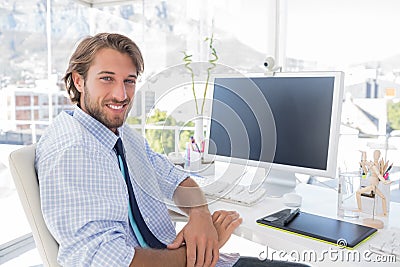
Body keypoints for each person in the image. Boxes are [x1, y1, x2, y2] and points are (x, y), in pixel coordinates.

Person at [35, 32, 307, 267]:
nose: (121, 95)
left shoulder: (119, 136)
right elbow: (105, 260)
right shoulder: (73, 150)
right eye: (107, 78)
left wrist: (200, 216)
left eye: (129, 81)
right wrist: (198, 253)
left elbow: (174, 178)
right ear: (79, 81)